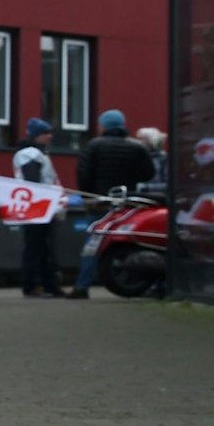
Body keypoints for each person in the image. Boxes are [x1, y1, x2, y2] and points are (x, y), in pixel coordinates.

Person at [69, 109, 156, 299]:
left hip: (100, 202)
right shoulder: (136, 147)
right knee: (131, 240)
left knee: (93, 243)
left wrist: (88, 197)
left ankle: (82, 286)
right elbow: (148, 173)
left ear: (103, 126)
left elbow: (83, 174)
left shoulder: (94, 146)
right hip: (127, 202)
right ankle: (137, 280)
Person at [14, 118, 62, 299]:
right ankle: (32, 285)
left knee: (41, 247)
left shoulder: (36, 153)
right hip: (37, 206)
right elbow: (33, 180)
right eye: (46, 133)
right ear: (36, 136)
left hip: (41, 206)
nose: (50, 136)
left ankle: (47, 285)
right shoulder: (31, 154)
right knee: (36, 247)